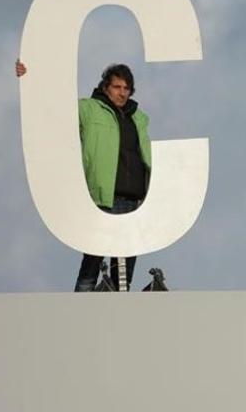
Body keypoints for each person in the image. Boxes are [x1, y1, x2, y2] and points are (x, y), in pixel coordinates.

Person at [16, 59, 151, 291]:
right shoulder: (87, 109)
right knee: (94, 258)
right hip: (103, 196)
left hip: (134, 199)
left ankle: (118, 311)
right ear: (106, 87)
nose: (122, 93)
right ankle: (81, 308)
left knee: (125, 267)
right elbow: (54, 110)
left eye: (126, 88)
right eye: (117, 87)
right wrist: (30, 78)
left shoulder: (138, 117)